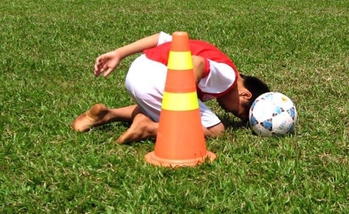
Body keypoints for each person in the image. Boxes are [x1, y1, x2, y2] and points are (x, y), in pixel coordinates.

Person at [72, 32, 270, 143]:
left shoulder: (219, 58)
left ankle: (107, 114)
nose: (229, 111)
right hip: (156, 79)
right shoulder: (228, 77)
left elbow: (161, 38)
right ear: (245, 95)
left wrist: (119, 53)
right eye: (239, 112)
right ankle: (150, 127)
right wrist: (183, 102)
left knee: (163, 108)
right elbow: (197, 62)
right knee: (217, 130)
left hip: (138, 70)